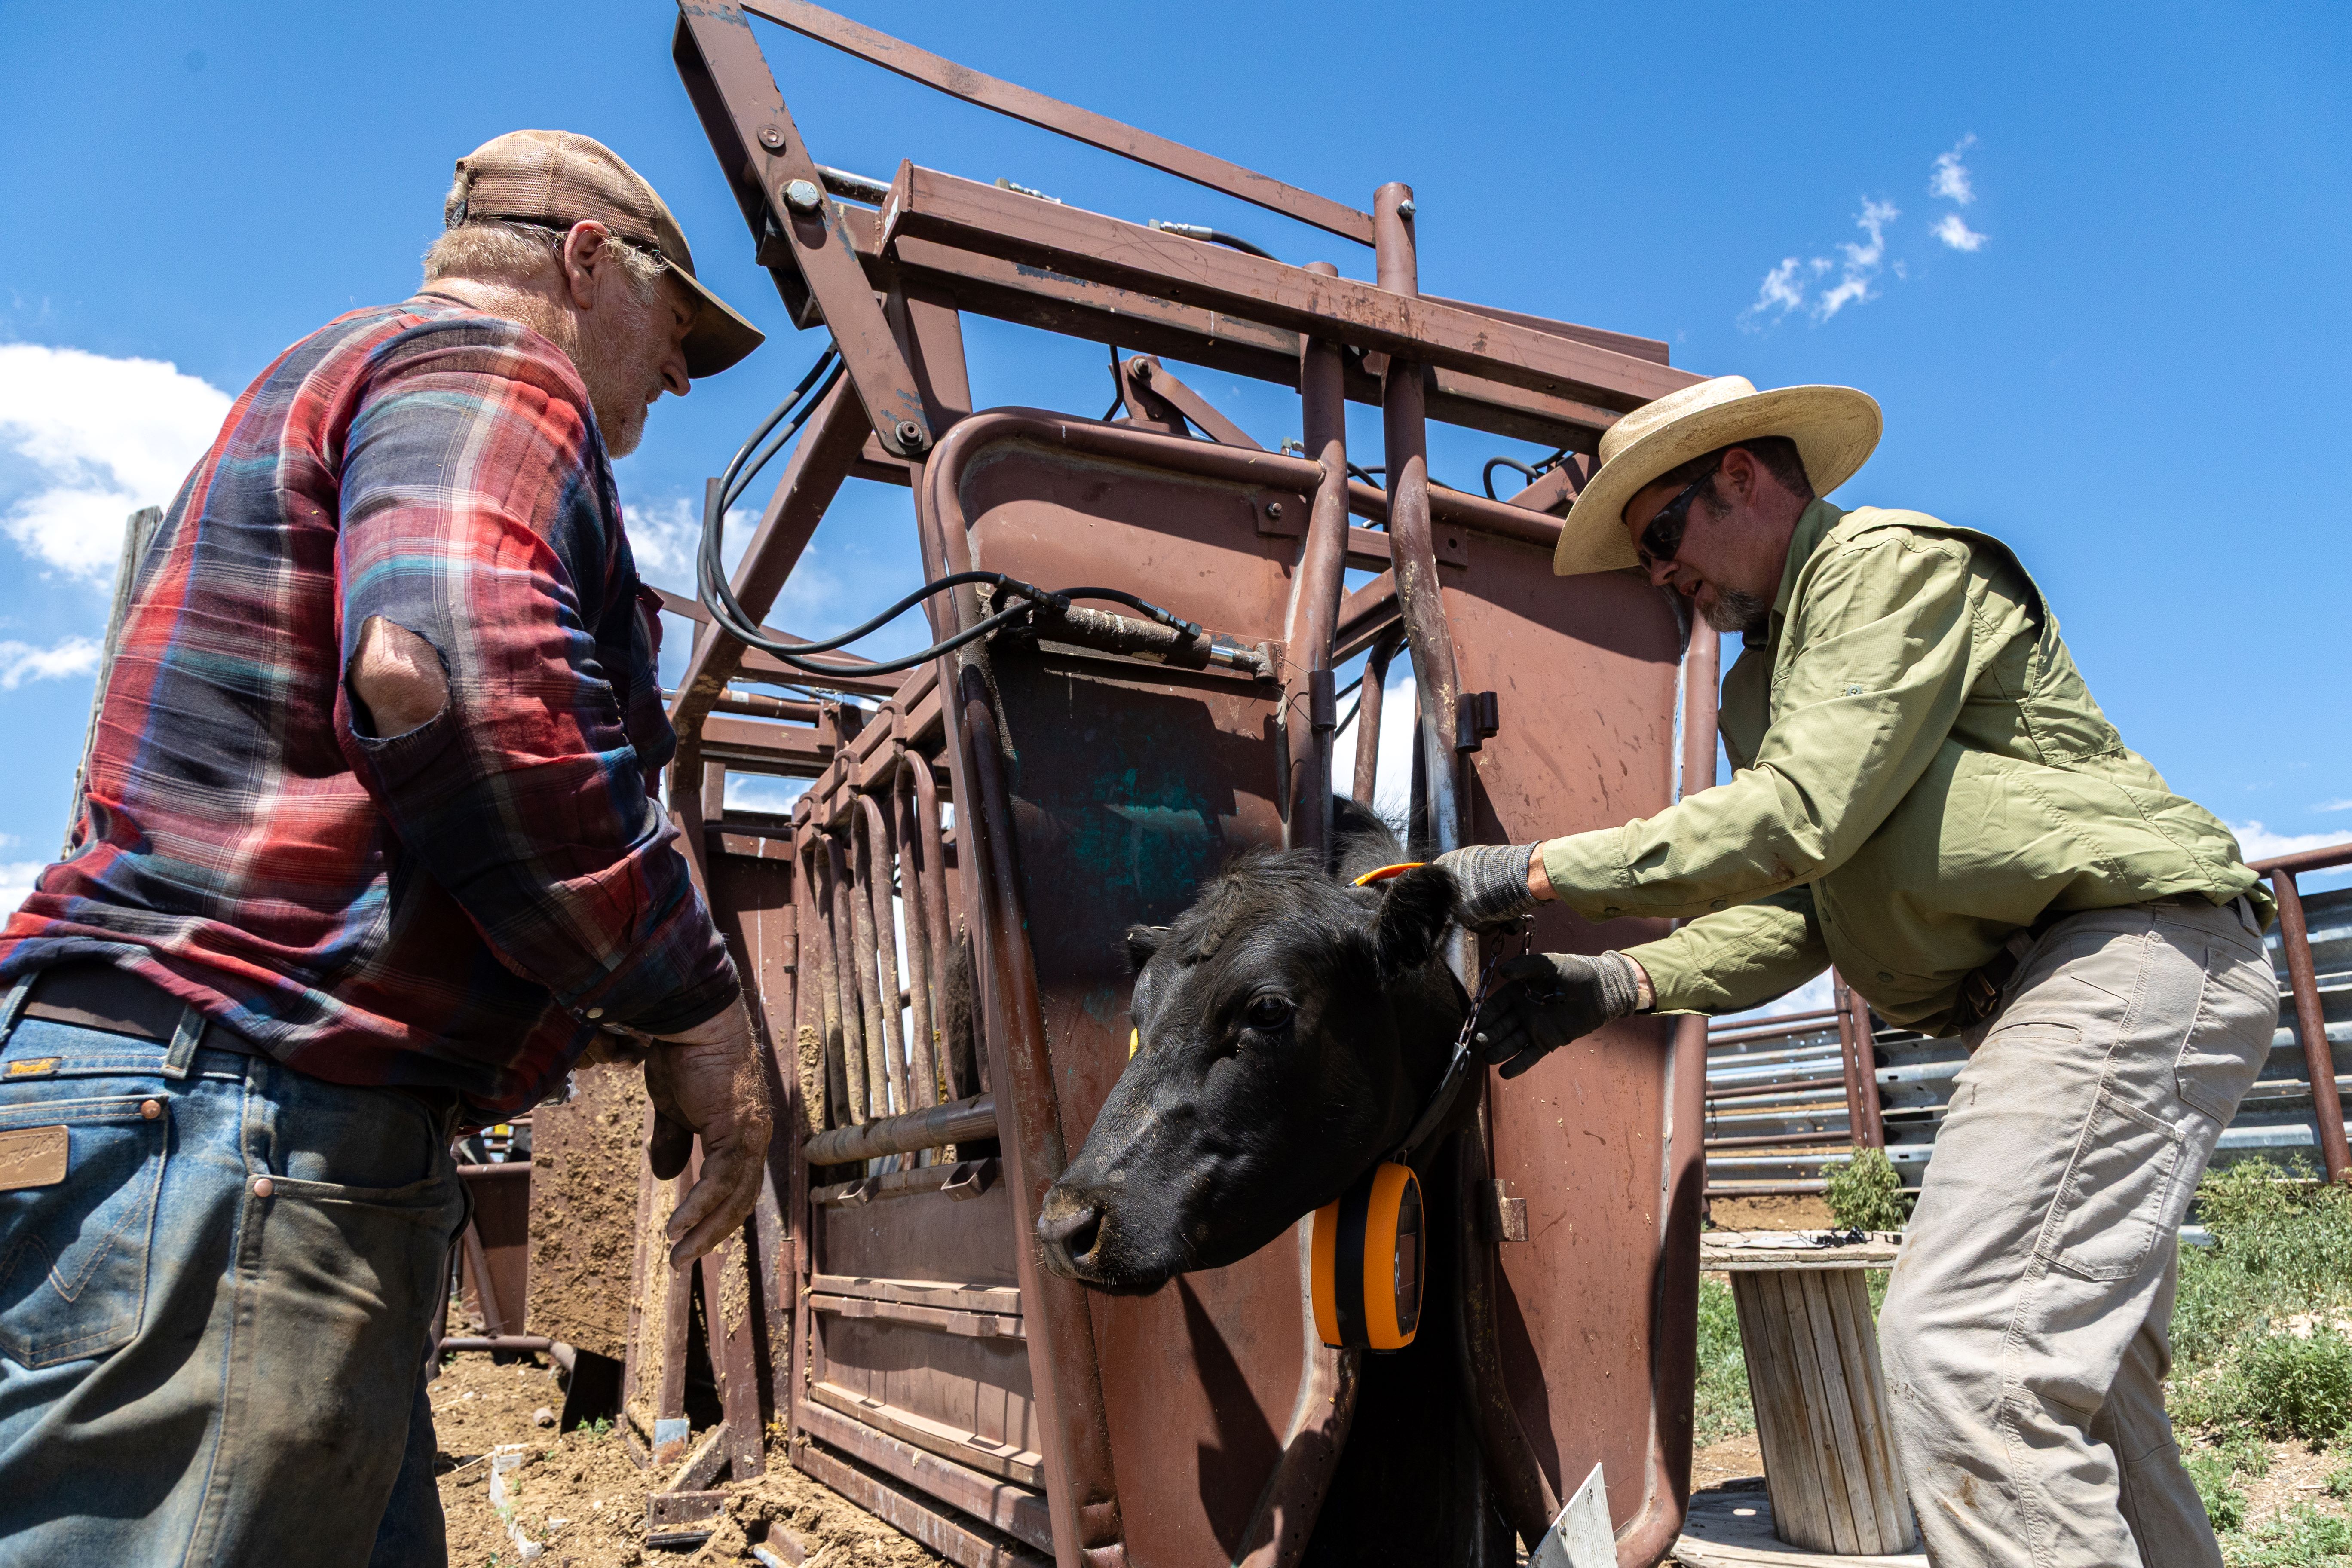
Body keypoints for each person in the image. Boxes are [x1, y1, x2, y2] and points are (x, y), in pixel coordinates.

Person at [0, 130, 775, 1566]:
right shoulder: (486, 368)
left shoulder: (329, 380)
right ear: (584, 260)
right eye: (679, 325)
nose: (680, 373)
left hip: (198, 1121)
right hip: (245, 1128)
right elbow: (443, 673)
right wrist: (694, 1005)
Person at [1435, 375, 2278, 1568]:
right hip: (2049, 992)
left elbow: (1800, 819)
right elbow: (1799, 912)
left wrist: (1530, 873)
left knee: (1973, 1357)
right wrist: (1613, 987)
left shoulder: (1883, 568)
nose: (1664, 576)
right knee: (2089, 1397)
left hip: (2129, 950)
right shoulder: (1762, 685)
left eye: (1663, 535)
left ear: (1740, 475)